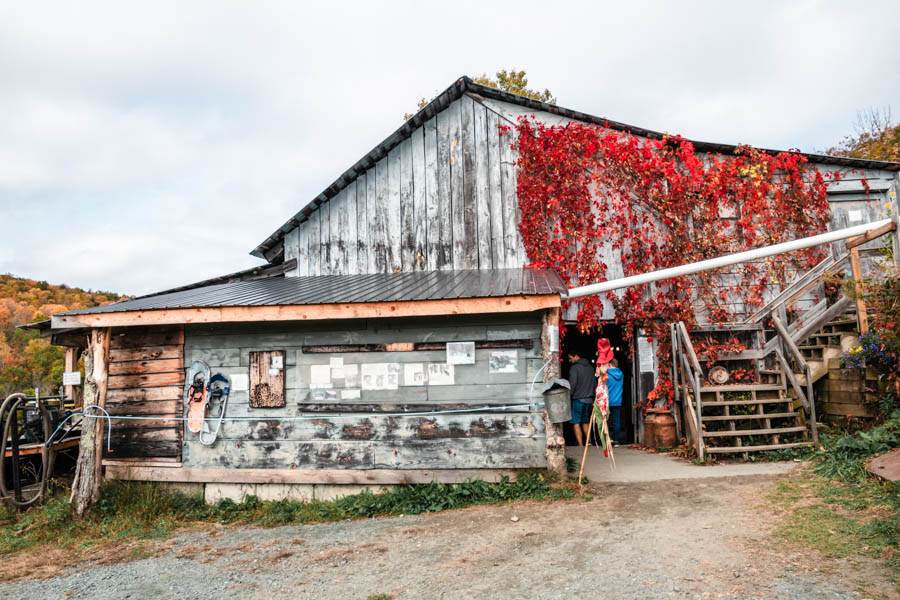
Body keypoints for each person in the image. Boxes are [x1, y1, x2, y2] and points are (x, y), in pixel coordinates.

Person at [566, 350, 597, 446]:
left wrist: (568, 396)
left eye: (570, 358)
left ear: (576, 356)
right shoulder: (590, 368)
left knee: (576, 422)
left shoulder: (574, 368)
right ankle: (589, 442)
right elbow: (595, 384)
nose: (569, 360)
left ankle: (580, 445)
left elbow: (572, 384)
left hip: (578, 399)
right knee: (585, 422)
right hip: (588, 400)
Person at [606, 358, 624, 445]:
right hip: (617, 401)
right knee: (616, 422)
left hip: (607, 401)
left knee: (604, 421)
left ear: (609, 365)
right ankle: (616, 440)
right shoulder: (621, 374)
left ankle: (607, 439)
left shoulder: (606, 375)